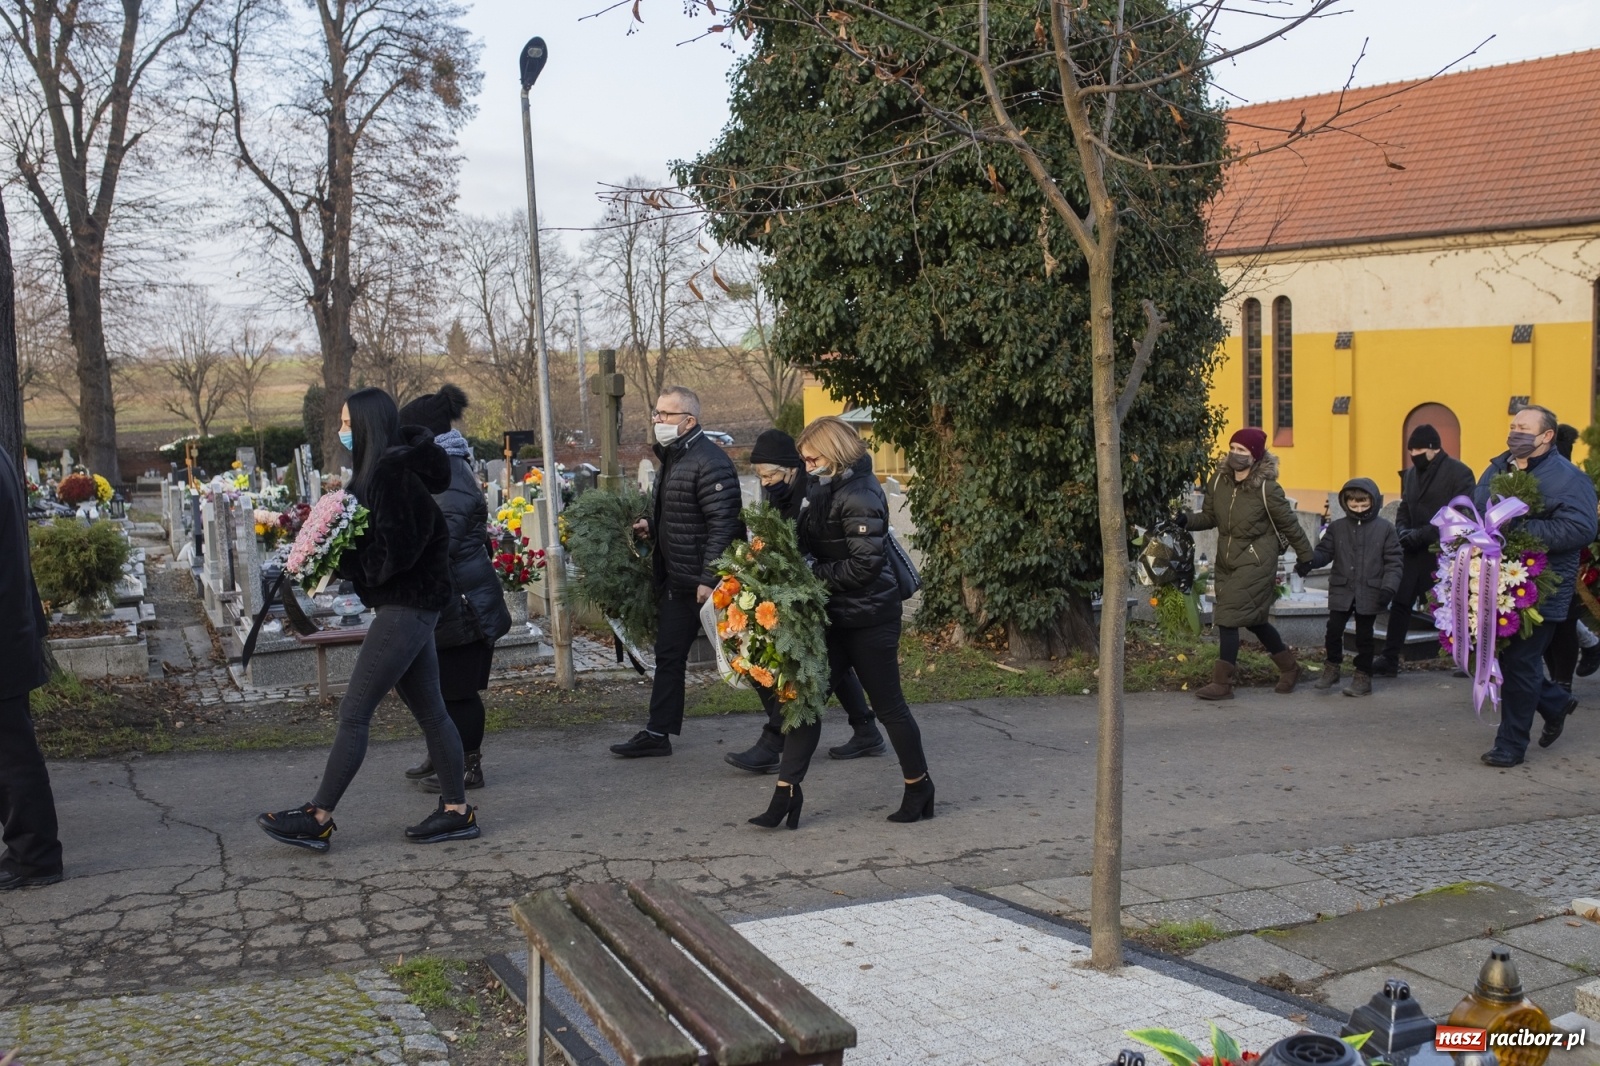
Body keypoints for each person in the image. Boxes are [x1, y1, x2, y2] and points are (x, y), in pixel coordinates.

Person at [257, 388, 480, 848]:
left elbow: (396, 553)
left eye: (347, 423)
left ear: (367, 425)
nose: (343, 431)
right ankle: (457, 812)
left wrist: (346, 559)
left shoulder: (391, 474)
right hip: (412, 604)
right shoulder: (381, 472)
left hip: (407, 605)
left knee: (355, 710)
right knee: (432, 711)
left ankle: (318, 815)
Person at [749, 416, 934, 829]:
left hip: (870, 618)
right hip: (833, 614)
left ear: (833, 453)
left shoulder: (861, 493)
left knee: (889, 707)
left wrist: (809, 575)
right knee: (805, 703)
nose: (806, 465)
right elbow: (809, 540)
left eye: (811, 457)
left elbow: (865, 566)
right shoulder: (823, 486)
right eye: (804, 459)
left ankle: (918, 785)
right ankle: (786, 794)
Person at [724, 429, 882, 773]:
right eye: (760, 476)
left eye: (770, 475)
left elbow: (827, 546)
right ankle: (866, 729)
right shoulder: (780, 493)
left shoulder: (814, 492)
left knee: (810, 667)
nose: (765, 483)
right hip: (813, 588)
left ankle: (774, 743)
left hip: (825, 589)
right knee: (829, 665)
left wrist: (801, 571)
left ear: (791, 468)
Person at [610, 386, 743, 758]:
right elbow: (683, 514)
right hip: (678, 580)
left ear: (689, 421)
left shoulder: (710, 461)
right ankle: (658, 733)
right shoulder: (673, 456)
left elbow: (724, 524)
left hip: (705, 583)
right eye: (656, 413)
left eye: (665, 414)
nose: (657, 420)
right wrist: (652, 527)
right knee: (669, 655)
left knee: (742, 655)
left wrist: (708, 578)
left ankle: (780, 729)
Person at [396, 385, 513, 792]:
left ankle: (467, 766)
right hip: (449, 600)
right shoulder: (437, 469)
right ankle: (443, 750)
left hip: (465, 605)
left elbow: (438, 540)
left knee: (458, 691)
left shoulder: (451, 476)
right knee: (433, 688)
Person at [1473, 405, 1597, 767]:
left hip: (1541, 586)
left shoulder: (1569, 479)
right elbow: (1476, 508)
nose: (1515, 432)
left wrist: (1518, 529)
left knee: (1521, 660)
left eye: (1524, 428)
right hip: (1493, 582)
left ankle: (1510, 745)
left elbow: (1581, 528)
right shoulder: (1497, 468)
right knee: (1507, 660)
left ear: (1546, 436)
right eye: (1513, 426)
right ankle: (1556, 703)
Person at [1178, 427, 1314, 700]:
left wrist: (1306, 558)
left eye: (1242, 450)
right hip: (1227, 559)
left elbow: (1290, 525)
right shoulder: (1219, 480)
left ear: (1255, 456)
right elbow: (1210, 517)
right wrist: (1185, 521)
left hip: (1256, 560)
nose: (1235, 454)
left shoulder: (1267, 488)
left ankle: (1222, 683)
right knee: (1255, 621)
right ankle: (1289, 668)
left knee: (1228, 618)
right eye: (1233, 448)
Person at [0, 445, 62, 890]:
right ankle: (29, 850)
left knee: (11, 753)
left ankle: (35, 855)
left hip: (3, 627)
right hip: (10, 622)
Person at [1373, 424, 1477, 677]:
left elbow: (1459, 513)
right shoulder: (1410, 474)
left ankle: (1469, 659)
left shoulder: (1459, 472)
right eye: (1411, 450)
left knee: (1453, 604)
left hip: (1443, 550)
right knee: (1401, 603)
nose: (1414, 455)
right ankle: (1389, 659)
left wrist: (1423, 534)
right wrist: (1402, 530)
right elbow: (1405, 506)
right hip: (1412, 550)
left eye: (1418, 450)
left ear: (1434, 448)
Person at [1296, 479, 1401, 697]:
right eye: (1354, 505)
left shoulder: (1385, 529)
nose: (1359, 510)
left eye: (1364, 505)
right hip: (1342, 588)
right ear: (1346, 503)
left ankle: (1363, 676)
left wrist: (1388, 588)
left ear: (1373, 502)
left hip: (1371, 590)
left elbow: (1394, 562)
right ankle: (1332, 667)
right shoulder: (1337, 528)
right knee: (1333, 630)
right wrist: (1310, 561)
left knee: (1364, 636)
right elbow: (1325, 552)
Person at [1539, 424, 1600, 690]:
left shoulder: (1572, 481)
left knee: (1563, 623)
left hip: (1569, 562)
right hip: (1545, 561)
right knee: (1552, 622)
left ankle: (1562, 683)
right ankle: (1561, 680)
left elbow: (1582, 526)